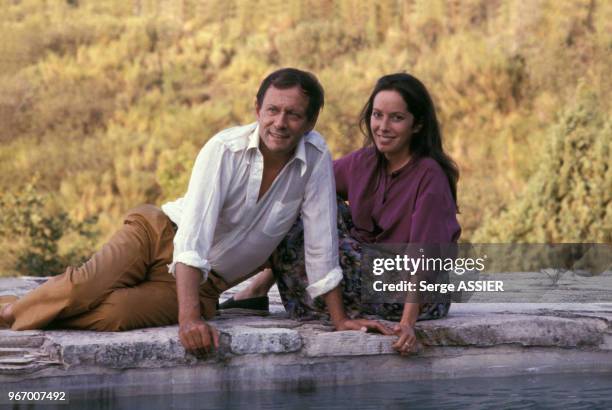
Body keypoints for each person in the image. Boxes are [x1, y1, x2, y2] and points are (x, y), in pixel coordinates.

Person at [0, 68, 391, 355]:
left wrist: (339, 320)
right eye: (272, 110)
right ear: (257, 108)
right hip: (156, 235)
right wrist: (189, 320)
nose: (280, 123)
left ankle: (26, 308)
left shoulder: (316, 158)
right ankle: (11, 315)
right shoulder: (224, 149)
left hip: (206, 282)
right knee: (83, 288)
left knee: (115, 314)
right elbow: (193, 237)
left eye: (293, 114)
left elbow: (321, 242)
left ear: (310, 121)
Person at [225, 73, 461, 355]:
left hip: (415, 292)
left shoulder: (429, 176)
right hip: (365, 270)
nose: (383, 127)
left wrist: (408, 323)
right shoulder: (366, 162)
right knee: (305, 197)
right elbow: (305, 183)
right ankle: (258, 288)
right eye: (377, 115)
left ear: (417, 124)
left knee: (311, 224)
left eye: (396, 118)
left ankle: (288, 297)